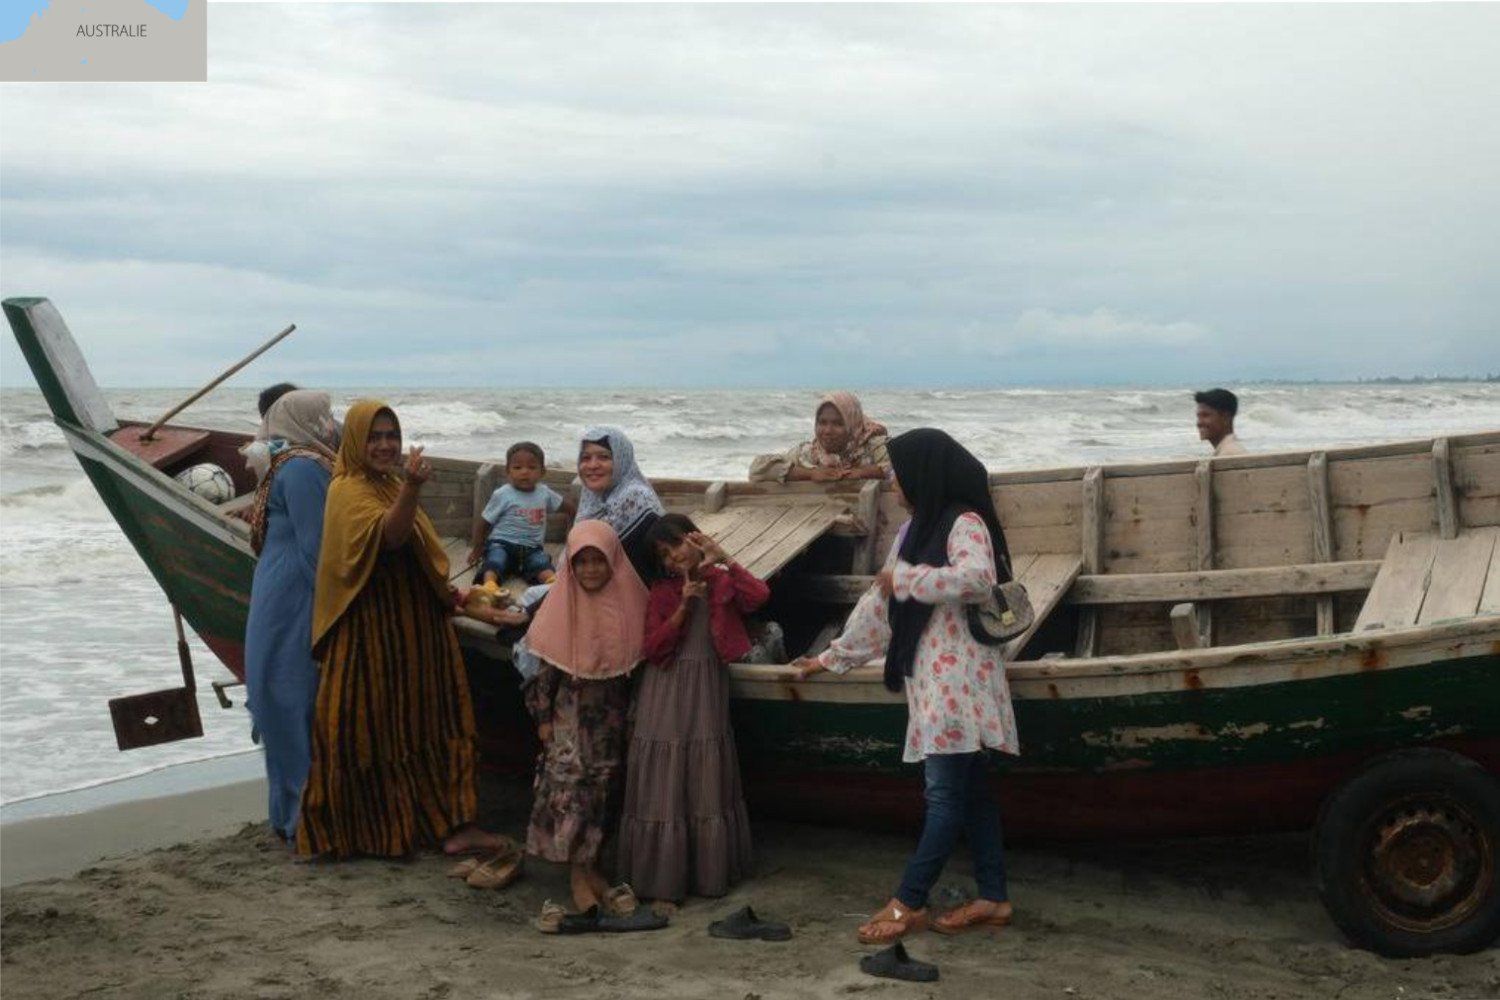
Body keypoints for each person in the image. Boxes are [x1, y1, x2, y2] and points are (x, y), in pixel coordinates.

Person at [793, 428, 1019, 944]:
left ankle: (909, 900)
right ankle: (994, 896)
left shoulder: (965, 521)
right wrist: (833, 657)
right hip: (932, 680)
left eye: (899, 472)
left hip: (961, 680)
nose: (894, 481)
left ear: (925, 472)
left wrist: (910, 579)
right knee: (974, 793)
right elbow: (880, 606)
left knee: (942, 797)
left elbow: (978, 580)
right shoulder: (915, 529)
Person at [297, 400, 501, 860]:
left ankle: (452, 825)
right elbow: (389, 538)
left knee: (437, 718)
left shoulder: (388, 484)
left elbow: (422, 555)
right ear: (354, 441)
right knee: (366, 726)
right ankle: (369, 832)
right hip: (371, 629)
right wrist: (412, 486)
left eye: (392, 435)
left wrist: (464, 600)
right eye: (375, 436)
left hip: (415, 625)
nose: (386, 445)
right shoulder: (348, 489)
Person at [616, 514, 768, 903]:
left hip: (706, 684)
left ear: (694, 538)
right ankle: (661, 880)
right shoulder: (664, 590)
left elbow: (757, 597)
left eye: (677, 546)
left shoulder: (720, 579)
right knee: (664, 769)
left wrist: (725, 558)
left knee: (702, 768)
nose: (672, 559)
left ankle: (705, 875)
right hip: (665, 685)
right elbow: (653, 648)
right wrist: (683, 608)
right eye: (664, 555)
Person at [523, 521, 648, 914]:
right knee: (573, 794)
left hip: (611, 719)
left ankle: (594, 869)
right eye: (582, 562)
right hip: (570, 717)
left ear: (614, 561)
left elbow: (641, 669)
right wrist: (543, 717)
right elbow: (545, 671)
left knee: (605, 792)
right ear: (570, 566)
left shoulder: (633, 602)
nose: (591, 570)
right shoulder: (560, 604)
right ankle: (577, 876)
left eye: (599, 561)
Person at [242, 390, 338, 842]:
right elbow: (317, 547)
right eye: (324, 416)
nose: (331, 423)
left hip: (278, 590)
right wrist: (333, 610)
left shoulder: (282, 461)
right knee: (289, 698)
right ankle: (302, 818)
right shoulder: (303, 468)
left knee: (281, 696)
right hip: (293, 595)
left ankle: (293, 816)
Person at [466, 442, 575, 588]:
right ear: (508, 471)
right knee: (495, 560)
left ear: (542, 471)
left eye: (532, 467)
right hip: (502, 544)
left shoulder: (544, 493)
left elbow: (569, 508)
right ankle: (489, 586)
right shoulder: (503, 494)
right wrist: (477, 548)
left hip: (531, 549)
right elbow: (484, 522)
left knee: (542, 563)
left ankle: (552, 586)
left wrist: (578, 524)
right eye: (517, 467)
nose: (524, 472)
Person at [576, 425, 665, 583]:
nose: (593, 465)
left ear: (621, 460)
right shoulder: (593, 498)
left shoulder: (635, 497)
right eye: (585, 458)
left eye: (603, 457)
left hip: (636, 595)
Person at [749, 391, 891, 483]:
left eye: (838, 423)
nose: (828, 431)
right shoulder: (809, 453)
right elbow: (757, 469)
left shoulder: (875, 447)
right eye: (822, 423)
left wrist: (863, 472)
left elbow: (904, 467)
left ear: (853, 424)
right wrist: (810, 474)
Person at [1195, 388, 1247, 456]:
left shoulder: (1230, 454)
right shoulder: (1226, 450)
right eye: (1198, 416)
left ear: (1226, 418)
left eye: (1205, 415)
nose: (1199, 423)